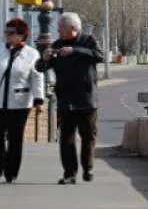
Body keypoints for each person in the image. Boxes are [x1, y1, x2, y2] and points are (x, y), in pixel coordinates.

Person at [0, 18, 45, 183]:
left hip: (19, 103)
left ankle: (11, 171)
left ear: (21, 35)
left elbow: (37, 78)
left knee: (15, 138)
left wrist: (39, 99)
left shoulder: (32, 54)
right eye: (6, 32)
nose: (7, 35)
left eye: (11, 33)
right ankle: (0, 160)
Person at [38, 12, 105, 184]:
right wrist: (45, 59)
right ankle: (69, 173)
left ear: (73, 29)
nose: (58, 31)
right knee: (66, 139)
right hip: (65, 98)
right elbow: (40, 68)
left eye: (61, 28)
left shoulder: (88, 41)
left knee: (88, 136)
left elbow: (99, 56)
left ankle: (88, 168)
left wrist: (75, 51)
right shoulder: (58, 44)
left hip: (86, 99)